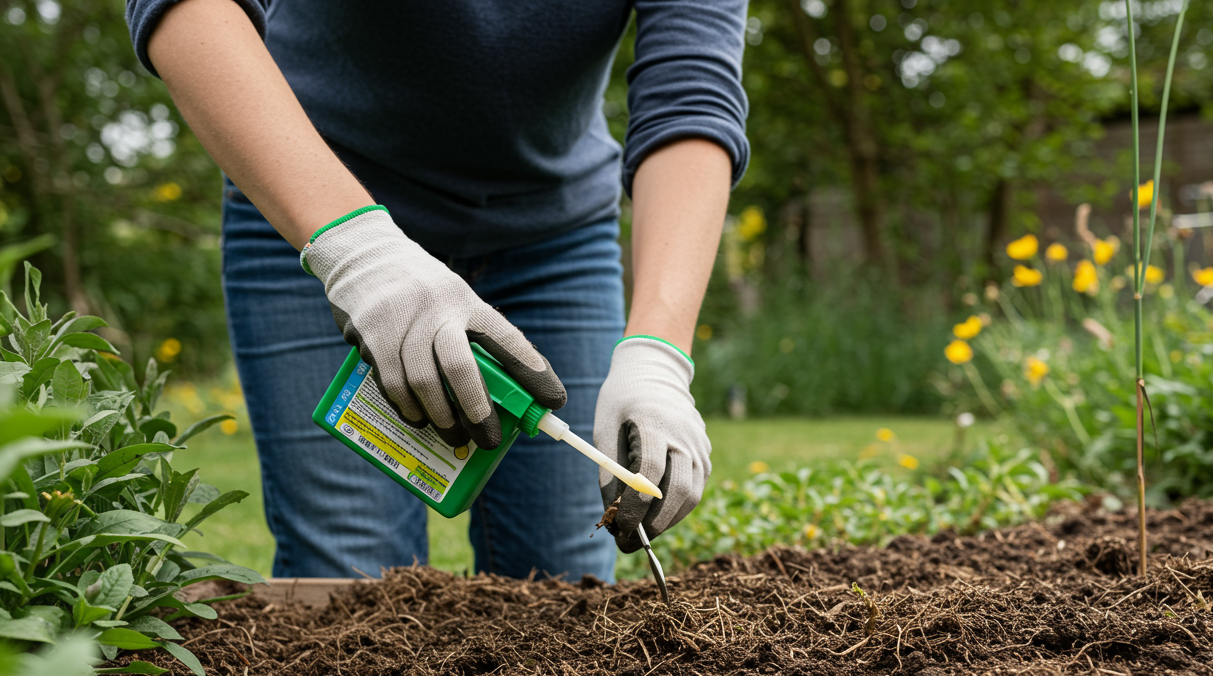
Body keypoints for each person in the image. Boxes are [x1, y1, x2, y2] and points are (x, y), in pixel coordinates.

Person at [124, 0, 749, 582]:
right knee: (349, 579)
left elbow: (691, 93)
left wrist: (657, 354)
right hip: (317, 206)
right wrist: (358, 252)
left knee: (566, 580)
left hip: (551, 234)